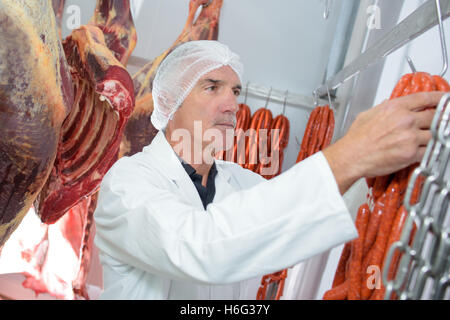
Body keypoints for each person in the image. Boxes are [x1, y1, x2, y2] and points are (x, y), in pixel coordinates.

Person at [93, 40, 445, 299]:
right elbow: (202, 246)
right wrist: (353, 153)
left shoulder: (244, 183)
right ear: (170, 102)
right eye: (212, 87)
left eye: (235, 91)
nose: (231, 105)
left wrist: (394, 162)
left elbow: (312, 211)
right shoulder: (126, 185)